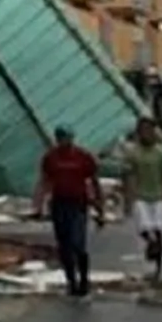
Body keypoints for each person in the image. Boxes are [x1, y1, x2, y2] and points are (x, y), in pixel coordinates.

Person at [34, 126, 105, 298]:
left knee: (78, 243)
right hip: (59, 204)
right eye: (60, 137)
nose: (64, 140)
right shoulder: (50, 158)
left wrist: (100, 208)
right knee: (64, 244)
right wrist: (38, 204)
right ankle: (71, 281)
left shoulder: (84, 157)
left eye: (66, 137)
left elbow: (95, 182)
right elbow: (44, 181)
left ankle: (84, 280)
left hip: (79, 203)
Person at [118, 117, 162, 280]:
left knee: (158, 231)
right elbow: (128, 177)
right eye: (143, 131)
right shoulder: (133, 154)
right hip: (140, 196)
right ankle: (151, 245)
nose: (146, 134)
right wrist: (127, 200)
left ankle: (158, 267)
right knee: (144, 228)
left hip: (159, 197)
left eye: (149, 130)